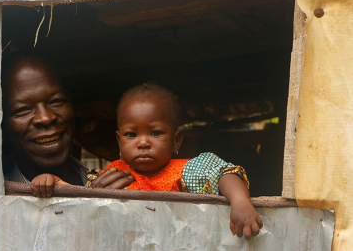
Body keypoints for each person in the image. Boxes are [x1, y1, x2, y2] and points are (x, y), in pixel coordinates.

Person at [100, 82, 263, 240]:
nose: (143, 143)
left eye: (156, 133)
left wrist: (240, 200)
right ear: (118, 140)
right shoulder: (112, 174)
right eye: (131, 135)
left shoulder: (186, 171)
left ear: (176, 140)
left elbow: (223, 173)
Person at [1, 54, 134, 196]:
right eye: (23, 109)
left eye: (56, 101)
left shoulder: (112, 184)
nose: (46, 118)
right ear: (0, 122)